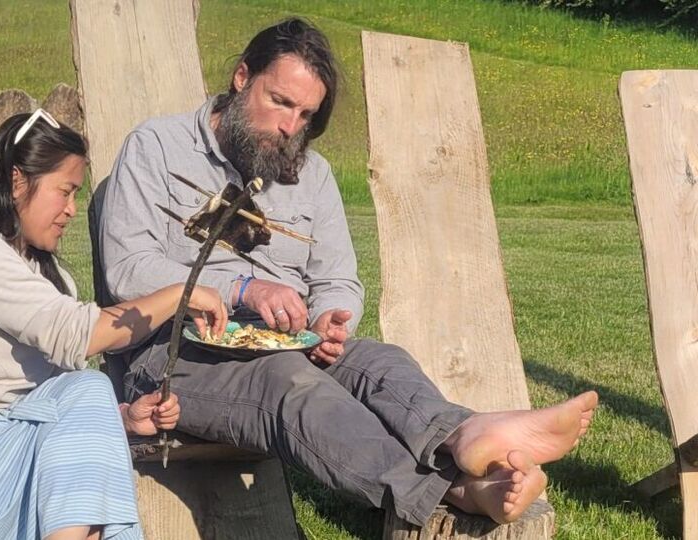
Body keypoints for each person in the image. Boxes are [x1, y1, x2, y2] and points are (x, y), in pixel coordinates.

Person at [95, 18, 598, 526]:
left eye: (307, 114)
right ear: (242, 77)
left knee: (382, 363)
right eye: (281, 102)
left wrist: (333, 317)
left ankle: (464, 437)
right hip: (173, 357)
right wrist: (243, 288)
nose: (291, 127)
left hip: (279, 341)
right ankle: (453, 490)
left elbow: (337, 278)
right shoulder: (157, 147)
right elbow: (128, 270)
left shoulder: (311, 174)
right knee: (289, 384)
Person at [0, 110, 228, 540]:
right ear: (17, 182)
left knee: (91, 492)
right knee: (90, 400)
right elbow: (78, 337)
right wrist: (180, 294)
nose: (71, 210)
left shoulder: (50, 277)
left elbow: (55, 397)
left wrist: (120, 419)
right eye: (65, 192)